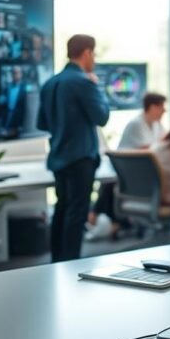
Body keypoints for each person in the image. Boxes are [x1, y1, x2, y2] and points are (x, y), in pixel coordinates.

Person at [37, 34, 110, 262]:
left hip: (58, 156)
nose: (94, 59)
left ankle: (56, 262)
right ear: (87, 52)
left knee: (61, 209)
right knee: (77, 213)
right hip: (80, 158)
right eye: (94, 54)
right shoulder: (83, 82)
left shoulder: (50, 83)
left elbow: (42, 123)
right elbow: (102, 116)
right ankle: (70, 264)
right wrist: (96, 87)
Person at [87, 92, 168, 241]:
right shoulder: (137, 124)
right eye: (162, 107)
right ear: (152, 107)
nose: (165, 111)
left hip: (139, 176)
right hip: (133, 177)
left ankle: (106, 219)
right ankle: (100, 217)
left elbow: (164, 142)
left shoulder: (156, 125)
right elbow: (150, 150)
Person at [0, 65, 27, 138]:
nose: (15, 75)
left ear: (21, 74)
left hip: (18, 118)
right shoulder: (8, 87)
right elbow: (2, 101)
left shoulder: (25, 87)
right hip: (8, 113)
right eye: (13, 73)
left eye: (17, 73)